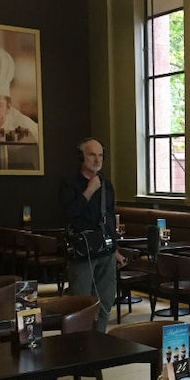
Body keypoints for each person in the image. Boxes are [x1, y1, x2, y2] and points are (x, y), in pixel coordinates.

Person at [60, 138, 125, 332]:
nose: (97, 160)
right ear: (81, 157)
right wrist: (89, 190)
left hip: (105, 250)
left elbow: (110, 219)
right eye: (92, 155)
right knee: (80, 303)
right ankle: (79, 346)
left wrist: (115, 250)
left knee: (105, 300)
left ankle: (99, 341)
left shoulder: (106, 185)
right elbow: (70, 213)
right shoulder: (69, 183)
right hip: (82, 252)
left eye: (100, 155)